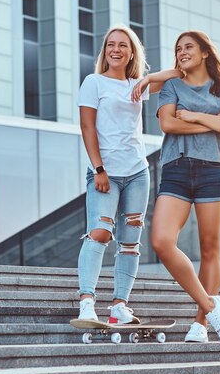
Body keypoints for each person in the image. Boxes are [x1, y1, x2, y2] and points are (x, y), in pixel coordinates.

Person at [137, 30, 220, 342]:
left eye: (189, 47)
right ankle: (211, 305)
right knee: (161, 241)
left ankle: (200, 324)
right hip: (177, 168)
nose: (182, 52)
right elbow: (167, 123)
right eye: (178, 48)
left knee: (211, 249)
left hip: (212, 169)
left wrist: (194, 115)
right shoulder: (171, 85)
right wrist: (214, 121)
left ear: (205, 52)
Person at [76, 24, 181, 324]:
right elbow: (87, 128)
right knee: (99, 233)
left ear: (132, 51)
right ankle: (87, 302)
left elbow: (178, 74)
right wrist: (99, 169)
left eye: (123, 45)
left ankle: (120, 306)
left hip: (137, 172)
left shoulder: (137, 85)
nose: (116, 50)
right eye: (111, 44)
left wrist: (146, 78)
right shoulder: (93, 82)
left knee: (130, 242)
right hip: (104, 172)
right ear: (105, 51)